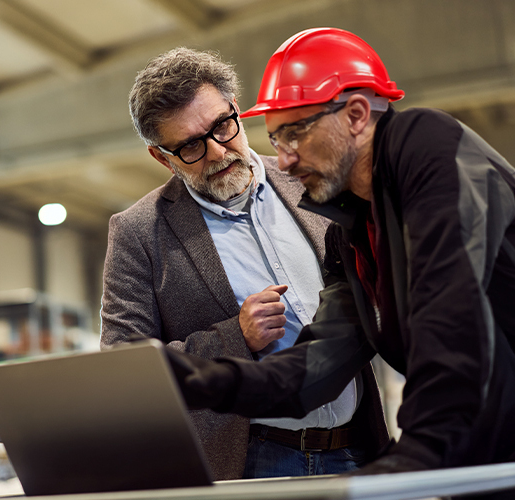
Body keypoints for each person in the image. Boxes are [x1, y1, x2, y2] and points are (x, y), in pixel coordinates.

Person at [165, 29, 515, 497]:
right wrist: (201, 380)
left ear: (356, 113)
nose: (285, 161)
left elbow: (451, 313)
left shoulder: (431, 148)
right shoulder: (351, 233)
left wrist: (416, 453)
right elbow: (314, 370)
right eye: (276, 140)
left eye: (294, 133)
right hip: (481, 459)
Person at [99, 47, 388, 481]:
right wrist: (236, 337)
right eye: (191, 146)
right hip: (255, 460)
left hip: (359, 446)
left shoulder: (310, 178)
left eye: (221, 127)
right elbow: (123, 366)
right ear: (162, 156)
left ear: (236, 109)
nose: (216, 152)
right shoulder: (140, 231)